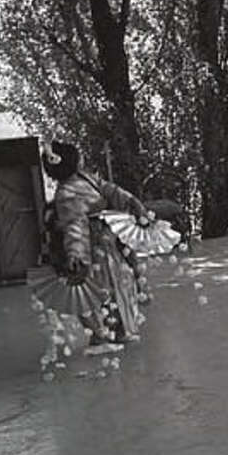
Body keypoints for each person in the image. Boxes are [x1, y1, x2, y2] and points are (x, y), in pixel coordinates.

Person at [43, 141, 149, 354]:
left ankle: (108, 332)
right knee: (100, 288)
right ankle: (106, 333)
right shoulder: (70, 191)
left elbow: (109, 191)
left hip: (100, 242)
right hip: (95, 243)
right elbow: (76, 225)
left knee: (97, 289)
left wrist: (131, 202)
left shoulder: (77, 184)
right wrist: (76, 254)